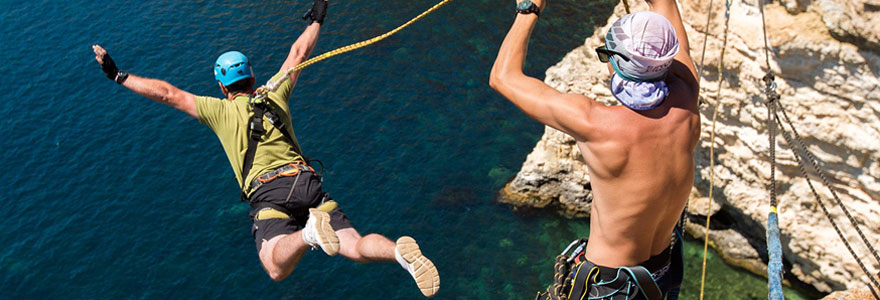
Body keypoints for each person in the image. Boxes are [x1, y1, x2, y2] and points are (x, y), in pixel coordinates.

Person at [91, 1, 439, 297]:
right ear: (253, 78)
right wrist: (319, 14)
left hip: (270, 192)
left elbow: (168, 93)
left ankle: (308, 234)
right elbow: (299, 52)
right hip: (307, 183)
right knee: (355, 245)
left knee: (275, 267)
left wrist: (118, 75)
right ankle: (398, 254)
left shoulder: (219, 110)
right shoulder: (275, 93)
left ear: (221, 86)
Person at [490, 0, 698, 298]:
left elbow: (503, 76)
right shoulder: (687, 93)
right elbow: (663, 2)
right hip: (662, 274)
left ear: (617, 63)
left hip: (610, 287)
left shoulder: (596, 124)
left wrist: (530, 8)